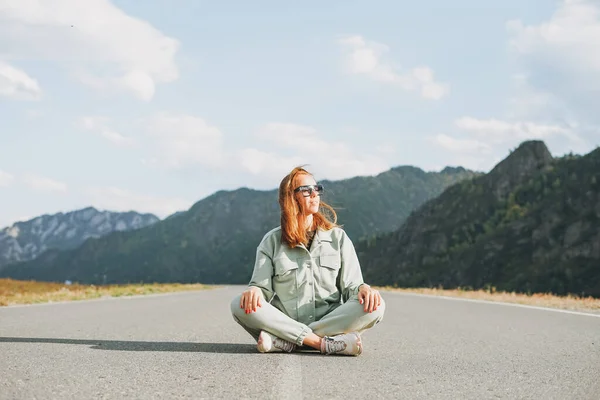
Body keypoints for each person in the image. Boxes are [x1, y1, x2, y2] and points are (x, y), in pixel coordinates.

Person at [230, 166, 385, 356]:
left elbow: (352, 286)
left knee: (376, 305)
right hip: (288, 318)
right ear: (290, 198)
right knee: (239, 304)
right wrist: (254, 289)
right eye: (306, 190)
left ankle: (286, 340)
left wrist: (363, 289)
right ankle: (322, 343)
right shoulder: (271, 241)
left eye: (316, 189)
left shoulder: (339, 238)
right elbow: (260, 290)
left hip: (329, 320)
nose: (314, 194)